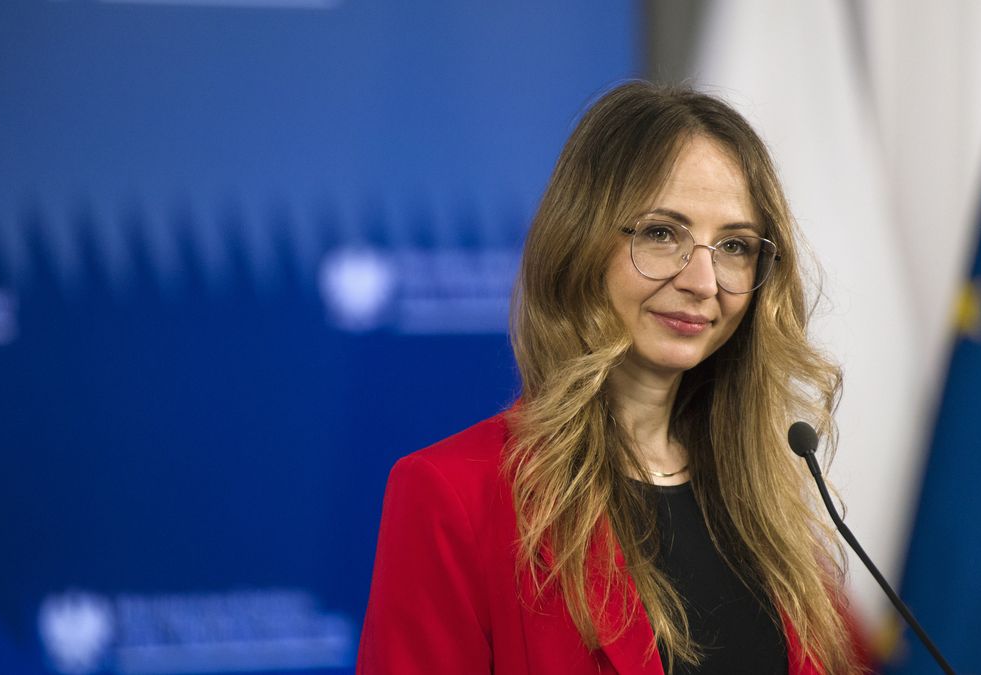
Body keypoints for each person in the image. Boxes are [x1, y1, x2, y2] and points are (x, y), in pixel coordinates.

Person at [356, 82, 858, 674]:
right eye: (661, 233)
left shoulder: (769, 497)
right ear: (580, 243)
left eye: (734, 245)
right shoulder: (453, 495)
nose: (703, 281)